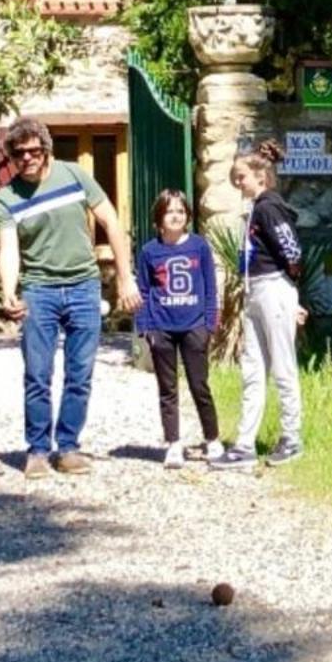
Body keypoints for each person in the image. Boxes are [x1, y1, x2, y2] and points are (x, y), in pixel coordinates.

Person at [0, 117, 142, 478]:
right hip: (39, 291)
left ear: (46, 150)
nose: (26, 158)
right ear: (10, 155)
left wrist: (125, 278)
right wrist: (9, 290)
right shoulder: (6, 198)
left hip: (83, 287)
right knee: (37, 374)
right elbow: (9, 249)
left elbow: (111, 223)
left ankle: (69, 447)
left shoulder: (75, 175)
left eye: (33, 150)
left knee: (80, 373)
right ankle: (38, 451)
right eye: (18, 152)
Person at [226, 140, 307, 470]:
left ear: (260, 176)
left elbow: (292, 251)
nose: (238, 182)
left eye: (241, 176)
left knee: (282, 366)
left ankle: (292, 436)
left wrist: (290, 288)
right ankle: (245, 442)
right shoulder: (256, 209)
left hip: (272, 287)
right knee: (253, 367)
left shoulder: (268, 207)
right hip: (256, 290)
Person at [133, 188, 224, 470]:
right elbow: (144, 291)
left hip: (194, 326)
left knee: (200, 385)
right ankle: (173, 444)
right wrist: (146, 328)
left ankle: (212, 438)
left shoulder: (199, 246)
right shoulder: (150, 251)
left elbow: (210, 287)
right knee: (167, 388)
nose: (176, 216)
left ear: (188, 216)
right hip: (162, 327)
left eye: (181, 211)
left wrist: (209, 323)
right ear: (159, 217)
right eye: (170, 211)